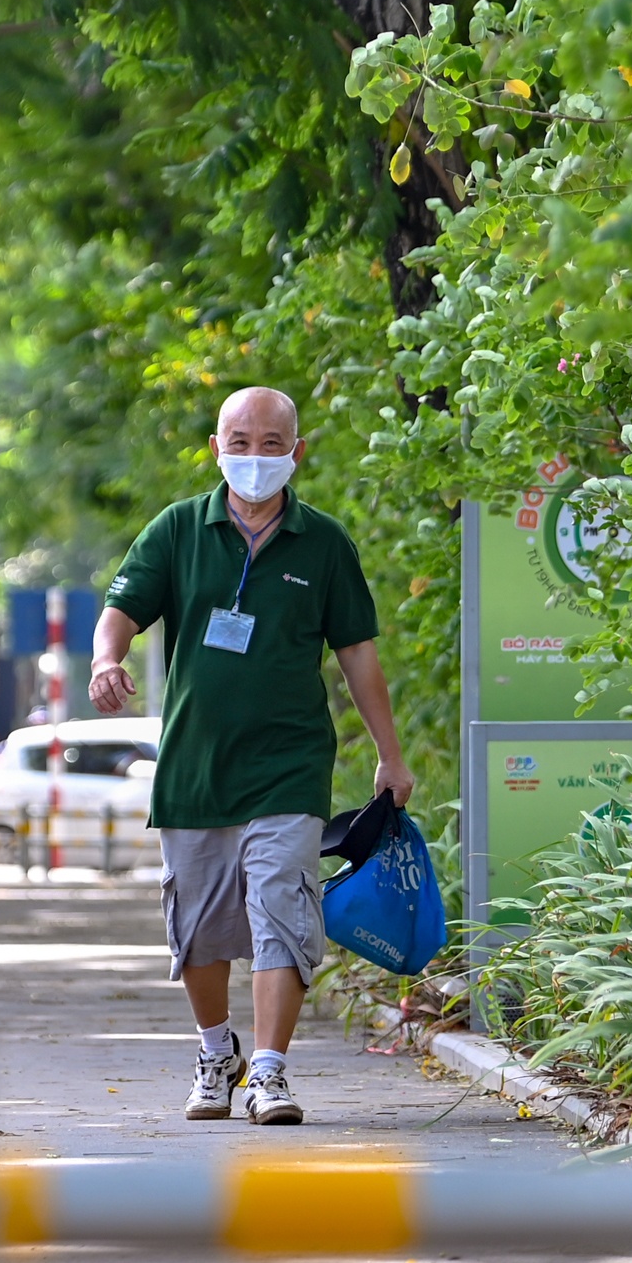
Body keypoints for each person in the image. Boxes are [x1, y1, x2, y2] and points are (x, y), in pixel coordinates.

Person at [88, 387, 414, 1125]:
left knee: (281, 912)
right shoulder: (177, 530)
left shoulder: (324, 543)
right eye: (239, 440)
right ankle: (216, 1052)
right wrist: (104, 660)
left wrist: (389, 757)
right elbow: (121, 610)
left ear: (296, 453)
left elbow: (358, 654)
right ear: (215, 447)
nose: (255, 456)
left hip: (288, 767)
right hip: (195, 768)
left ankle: (268, 1070)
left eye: (272, 443)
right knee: (198, 927)